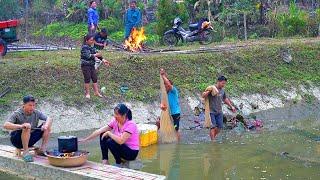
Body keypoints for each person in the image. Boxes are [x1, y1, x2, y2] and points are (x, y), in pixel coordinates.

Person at [3, 95, 53, 162]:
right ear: (24, 105)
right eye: (30, 105)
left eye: (33, 105)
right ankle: (25, 152)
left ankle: (42, 150)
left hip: (30, 139)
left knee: (47, 126)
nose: (32, 107)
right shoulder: (17, 113)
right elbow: (5, 125)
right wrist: (21, 126)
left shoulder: (36, 112)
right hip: (17, 140)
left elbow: (49, 118)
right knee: (27, 126)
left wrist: (45, 126)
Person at [202, 75, 236, 141]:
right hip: (211, 112)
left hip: (219, 112)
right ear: (218, 82)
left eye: (224, 83)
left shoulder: (222, 90)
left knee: (219, 127)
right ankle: (213, 141)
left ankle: (212, 138)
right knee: (213, 127)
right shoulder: (212, 88)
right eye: (222, 83)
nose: (224, 85)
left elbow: (225, 99)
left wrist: (231, 106)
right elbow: (203, 95)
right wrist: (208, 92)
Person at [81, 34, 110, 99]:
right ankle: (87, 93)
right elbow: (88, 56)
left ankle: (96, 92)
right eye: (91, 40)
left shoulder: (92, 47)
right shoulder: (84, 47)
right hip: (85, 65)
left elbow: (98, 55)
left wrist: (103, 60)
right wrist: (96, 54)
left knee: (94, 78)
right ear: (86, 41)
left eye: (93, 40)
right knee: (87, 78)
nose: (92, 41)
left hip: (91, 65)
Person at [160, 68, 181, 140]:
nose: (166, 86)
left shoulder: (174, 91)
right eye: (165, 85)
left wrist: (163, 76)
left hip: (175, 113)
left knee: (176, 128)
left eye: (167, 85)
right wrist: (162, 107)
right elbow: (162, 104)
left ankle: (178, 144)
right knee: (158, 123)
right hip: (167, 113)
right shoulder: (164, 94)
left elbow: (168, 84)